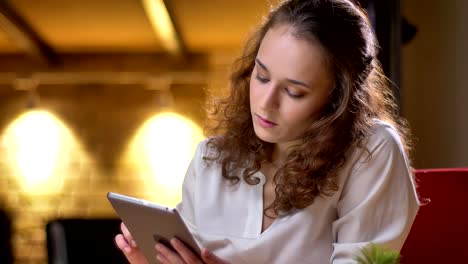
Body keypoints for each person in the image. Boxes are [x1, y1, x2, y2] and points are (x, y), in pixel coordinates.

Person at [115, 0, 420, 263]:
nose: (265, 103)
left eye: (294, 92)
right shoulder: (210, 158)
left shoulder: (371, 152)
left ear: (337, 100)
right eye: (261, 76)